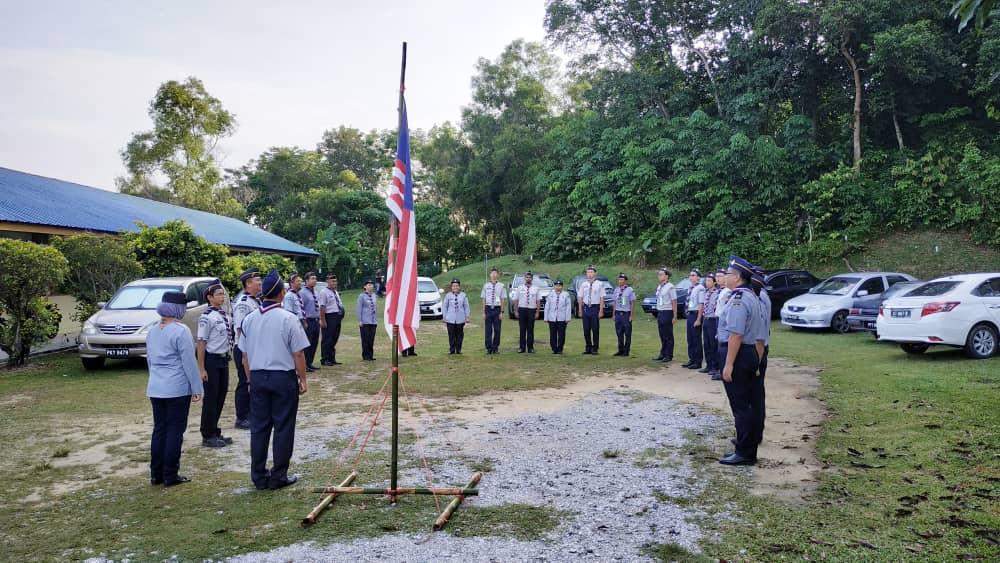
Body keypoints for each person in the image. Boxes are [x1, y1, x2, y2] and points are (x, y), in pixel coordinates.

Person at [239, 269, 309, 490]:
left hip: (258, 377)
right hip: (282, 377)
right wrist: (303, 378)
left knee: (259, 428)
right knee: (283, 426)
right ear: (280, 293)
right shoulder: (288, 318)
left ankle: (258, 476)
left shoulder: (250, 319)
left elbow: (244, 356)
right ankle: (279, 475)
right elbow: (298, 353)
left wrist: (251, 380)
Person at [146, 290, 204, 487]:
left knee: (159, 430)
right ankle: (170, 474)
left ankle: (156, 474)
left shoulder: (152, 330)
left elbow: (150, 361)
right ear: (178, 309)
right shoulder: (181, 331)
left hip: (156, 387)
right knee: (174, 431)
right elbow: (189, 362)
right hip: (176, 388)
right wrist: (197, 387)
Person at [717, 256, 767, 466]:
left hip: (738, 354)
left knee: (741, 406)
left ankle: (744, 452)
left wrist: (728, 364)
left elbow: (736, 334)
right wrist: (757, 359)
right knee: (749, 402)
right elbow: (758, 336)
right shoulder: (751, 296)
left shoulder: (739, 299)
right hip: (749, 353)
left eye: (728, 274)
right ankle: (749, 448)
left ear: (736, 277)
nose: (725, 277)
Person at [196, 280, 233, 448]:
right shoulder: (206, 317)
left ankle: (214, 430)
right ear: (210, 298)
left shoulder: (223, 315)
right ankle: (207, 434)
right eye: (218, 294)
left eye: (222, 293)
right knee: (211, 398)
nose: (222, 296)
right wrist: (202, 367)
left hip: (223, 359)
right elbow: (202, 343)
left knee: (221, 395)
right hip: (212, 360)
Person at [231, 268, 262, 430]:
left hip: (254, 348)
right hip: (244, 349)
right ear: (248, 283)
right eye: (258, 280)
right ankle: (241, 417)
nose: (260, 283)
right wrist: (247, 352)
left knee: (253, 380)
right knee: (245, 381)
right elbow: (240, 329)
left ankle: (251, 413)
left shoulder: (255, 300)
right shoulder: (243, 303)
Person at [750, 266, 772, 447]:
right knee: (753, 395)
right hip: (758, 347)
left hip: (758, 349)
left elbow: (760, 331)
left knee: (755, 396)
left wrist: (757, 359)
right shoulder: (759, 296)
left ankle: (755, 435)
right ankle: (751, 433)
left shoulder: (760, 298)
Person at [712, 268, 734, 381]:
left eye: (721, 276)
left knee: (722, 345)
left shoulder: (728, 291)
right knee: (718, 345)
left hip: (723, 319)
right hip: (718, 319)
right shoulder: (720, 290)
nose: (718, 278)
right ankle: (717, 368)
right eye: (717, 276)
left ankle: (722, 370)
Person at [318, 273, 344, 366]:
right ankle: (325, 359)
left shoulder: (335, 292)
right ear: (327, 281)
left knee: (334, 338)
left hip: (337, 317)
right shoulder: (324, 292)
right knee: (327, 339)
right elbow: (322, 307)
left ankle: (331, 358)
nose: (334, 282)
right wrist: (322, 320)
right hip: (329, 317)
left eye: (335, 281)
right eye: (332, 281)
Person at [577, 265, 604, 355]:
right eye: (588, 272)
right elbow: (580, 297)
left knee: (595, 329)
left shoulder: (599, 284)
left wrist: (601, 310)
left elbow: (601, 298)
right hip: (586, 308)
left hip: (595, 307)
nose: (589, 274)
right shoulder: (584, 284)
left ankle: (595, 348)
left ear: (595, 273)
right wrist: (580, 310)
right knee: (586, 329)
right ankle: (588, 347)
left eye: (591, 272)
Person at [682, 269, 706, 369]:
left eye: (693, 275)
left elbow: (701, 304)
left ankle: (697, 361)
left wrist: (699, 319)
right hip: (690, 314)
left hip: (696, 314)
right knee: (690, 338)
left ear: (698, 277)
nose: (691, 277)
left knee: (696, 338)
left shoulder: (700, 288)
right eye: (690, 275)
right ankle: (691, 359)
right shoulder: (691, 287)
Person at [653, 267, 677, 363]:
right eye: (659, 274)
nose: (659, 276)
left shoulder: (670, 286)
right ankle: (662, 353)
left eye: (661, 274)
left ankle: (669, 355)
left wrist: (674, 315)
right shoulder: (659, 286)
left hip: (667, 312)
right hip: (660, 312)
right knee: (662, 334)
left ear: (666, 276)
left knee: (668, 334)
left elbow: (674, 301)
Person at [513, 271, 541, 353]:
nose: (528, 278)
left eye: (529, 277)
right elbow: (516, 300)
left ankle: (530, 348)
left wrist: (537, 312)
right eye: (526, 277)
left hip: (531, 310)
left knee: (530, 329)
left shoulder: (536, 288)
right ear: (524, 278)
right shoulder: (520, 288)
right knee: (522, 329)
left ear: (532, 279)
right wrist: (515, 311)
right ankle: (522, 347)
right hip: (522, 309)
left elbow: (538, 301)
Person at [481, 266, 506, 354]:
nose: (494, 275)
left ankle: (495, 347)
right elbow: (483, 299)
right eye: (492, 273)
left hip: (497, 309)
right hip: (488, 309)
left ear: (498, 275)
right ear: (490, 275)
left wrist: (502, 312)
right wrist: (484, 312)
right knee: (488, 330)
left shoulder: (502, 286)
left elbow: (503, 300)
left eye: (495, 273)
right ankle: (489, 348)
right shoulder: (485, 286)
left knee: (497, 329)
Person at [442, 278, 471, 354]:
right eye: (453, 286)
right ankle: (452, 350)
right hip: (450, 319)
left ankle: (458, 350)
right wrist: (444, 317)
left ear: (459, 286)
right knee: (451, 335)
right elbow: (445, 306)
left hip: (460, 319)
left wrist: (467, 316)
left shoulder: (463, 295)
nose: (455, 287)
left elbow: (466, 306)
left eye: (457, 286)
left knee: (459, 335)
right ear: (451, 287)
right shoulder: (448, 296)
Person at [701, 273, 721, 377]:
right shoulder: (706, 293)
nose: (707, 282)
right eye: (706, 280)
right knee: (706, 343)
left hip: (713, 320)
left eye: (709, 281)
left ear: (714, 282)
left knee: (713, 344)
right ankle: (708, 365)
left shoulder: (717, 293)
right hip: (706, 319)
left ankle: (715, 366)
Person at [299, 272, 320, 372]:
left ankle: (310, 362)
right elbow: (301, 307)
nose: (314, 280)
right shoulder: (302, 292)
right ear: (306, 280)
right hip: (308, 321)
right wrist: (304, 321)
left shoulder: (315, 292)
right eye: (312, 278)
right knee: (308, 343)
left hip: (316, 320)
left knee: (315, 342)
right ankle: (305, 364)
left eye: (315, 278)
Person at [611, 273, 636, 356]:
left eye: (621, 279)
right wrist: (613, 314)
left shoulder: (630, 290)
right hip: (618, 313)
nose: (620, 281)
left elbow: (632, 303)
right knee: (619, 333)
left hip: (626, 313)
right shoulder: (616, 290)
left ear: (625, 281)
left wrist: (631, 315)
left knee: (627, 333)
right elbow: (614, 302)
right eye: (619, 279)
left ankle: (626, 351)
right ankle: (620, 350)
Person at [544, 279, 571, 353]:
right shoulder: (550, 294)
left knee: (561, 334)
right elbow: (547, 306)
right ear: (554, 286)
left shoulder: (566, 294)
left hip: (562, 318)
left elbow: (568, 307)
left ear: (562, 286)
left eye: (559, 286)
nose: (558, 287)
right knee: (553, 334)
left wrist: (567, 318)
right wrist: (546, 317)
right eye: (556, 285)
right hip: (552, 318)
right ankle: (554, 348)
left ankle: (560, 349)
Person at [357, 279, 378, 361]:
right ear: (365, 287)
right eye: (368, 285)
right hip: (365, 321)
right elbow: (359, 308)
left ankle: (370, 355)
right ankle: (365, 356)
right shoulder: (361, 296)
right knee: (365, 339)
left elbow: (376, 308)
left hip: (373, 321)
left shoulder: (374, 295)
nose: (370, 286)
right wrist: (360, 320)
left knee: (371, 339)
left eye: (371, 285)